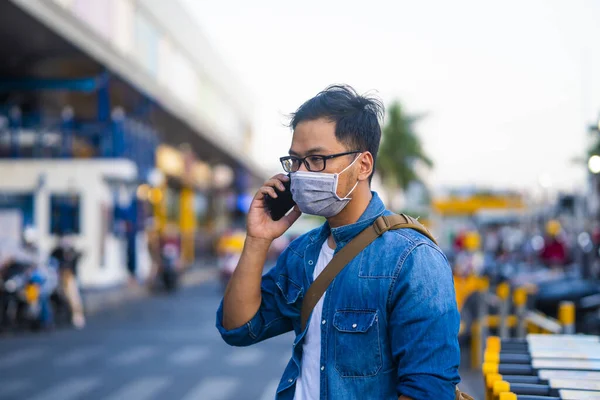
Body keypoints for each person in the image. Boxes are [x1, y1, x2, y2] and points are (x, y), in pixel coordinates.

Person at [216, 85, 460, 399]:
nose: (301, 173)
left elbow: (428, 389)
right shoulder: (302, 253)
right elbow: (238, 328)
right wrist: (257, 239)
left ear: (363, 165)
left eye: (317, 159)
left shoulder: (413, 260)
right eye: (295, 161)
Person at [50, 233, 85, 329]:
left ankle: (77, 316)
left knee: (74, 297)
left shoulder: (72, 253)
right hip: (57, 277)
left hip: (69, 278)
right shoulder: (57, 252)